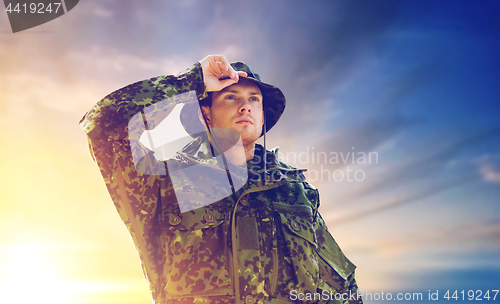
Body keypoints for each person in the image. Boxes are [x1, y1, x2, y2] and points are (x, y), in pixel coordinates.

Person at [80, 55, 362, 304]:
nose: (245, 106)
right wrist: (194, 80)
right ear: (205, 113)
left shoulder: (295, 192)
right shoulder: (165, 177)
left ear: (263, 117)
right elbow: (101, 122)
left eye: (254, 99)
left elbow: (341, 287)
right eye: (231, 97)